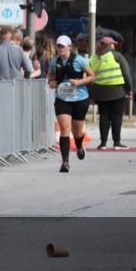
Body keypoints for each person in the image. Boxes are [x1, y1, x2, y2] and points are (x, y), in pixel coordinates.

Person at [48, 35, 95, 173]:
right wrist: (51, 83)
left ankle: (79, 146)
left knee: (77, 131)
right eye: (59, 46)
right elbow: (50, 76)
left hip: (80, 99)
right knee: (64, 128)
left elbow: (92, 76)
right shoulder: (54, 61)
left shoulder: (79, 60)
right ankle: (65, 162)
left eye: (63, 46)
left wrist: (79, 82)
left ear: (69, 47)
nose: (60, 48)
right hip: (62, 99)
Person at [89, 37, 133, 150]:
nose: (114, 46)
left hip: (101, 93)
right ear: (109, 45)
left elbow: (89, 78)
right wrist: (129, 89)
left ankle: (103, 143)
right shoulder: (116, 55)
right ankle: (116, 142)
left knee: (104, 117)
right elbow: (126, 73)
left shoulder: (93, 58)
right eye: (113, 44)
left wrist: (92, 95)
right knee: (116, 118)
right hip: (117, 91)